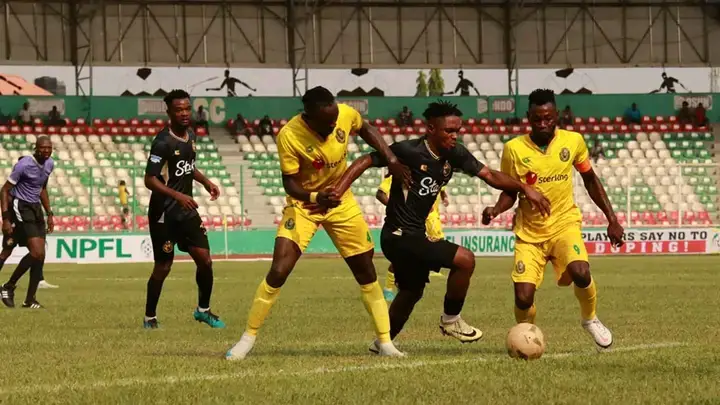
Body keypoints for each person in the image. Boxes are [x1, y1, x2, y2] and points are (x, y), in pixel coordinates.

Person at [330, 101, 549, 351]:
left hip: (414, 234)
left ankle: (383, 342)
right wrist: (339, 189)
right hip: (398, 235)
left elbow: (489, 175)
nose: (454, 136)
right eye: (448, 131)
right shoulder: (409, 151)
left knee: (412, 291)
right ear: (431, 128)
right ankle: (451, 319)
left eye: (457, 131)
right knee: (465, 259)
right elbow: (364, 160)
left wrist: (524, 188)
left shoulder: (455, 154)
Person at [225, 86, 412, 360]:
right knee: (278, 270)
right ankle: (248, 338)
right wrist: (315, 197)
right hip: (306, 205)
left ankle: (385, 342)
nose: (335, 126)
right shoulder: (289, 136)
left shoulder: (343, 114)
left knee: (366, 271)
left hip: (342, 203)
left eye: (336, 120)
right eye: (328, 123)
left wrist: (391, 158)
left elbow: (366, 128)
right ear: (309, 116)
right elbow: (289, 183)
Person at [482, 89, 624, 349]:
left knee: (581, 272)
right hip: (530, 234)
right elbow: (510, 191)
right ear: (529, 117)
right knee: (523, 298)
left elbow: (590, 179)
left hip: (564, 225)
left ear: (557, 115)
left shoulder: (573, 141)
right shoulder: (513, 149)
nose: (543, 123)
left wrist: (612, 219)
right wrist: (496, 209)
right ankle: (527, 336)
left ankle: (590, 319)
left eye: (548, 118)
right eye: (537, 118)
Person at [143, 89, 224, 329]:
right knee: (163, 266)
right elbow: (150, 179)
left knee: (205, 260)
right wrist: (177, 195)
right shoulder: (162, 142)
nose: (185, 113)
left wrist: (206, 181)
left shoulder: (191, 136)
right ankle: (149, 317)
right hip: (164, 213)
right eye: (179, 110)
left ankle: (203, 311)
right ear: (169, 112)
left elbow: (188, 166)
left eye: (187, 108)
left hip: (186, 211)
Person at [0, 137, 55, 308]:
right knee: (17, 250)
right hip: (21, 206)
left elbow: (42, 188)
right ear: (36, 148)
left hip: (36, 207)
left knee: (40, 255)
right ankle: (8, 286)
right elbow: (5, 190)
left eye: (49, 148)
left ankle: (30, 300)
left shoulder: (50, 164)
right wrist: (6, 218)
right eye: (43, 147)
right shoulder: (24, 165)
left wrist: (49, 213)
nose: (47, 151)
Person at [376, 171, 447, 303]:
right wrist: (398, 208)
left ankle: (411, 282)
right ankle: (388, 288)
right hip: (405, 222)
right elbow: (380, 194)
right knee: (402, 255)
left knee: (429, 248)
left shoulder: (428, 172)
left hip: (425, 219)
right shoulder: (401, 171)